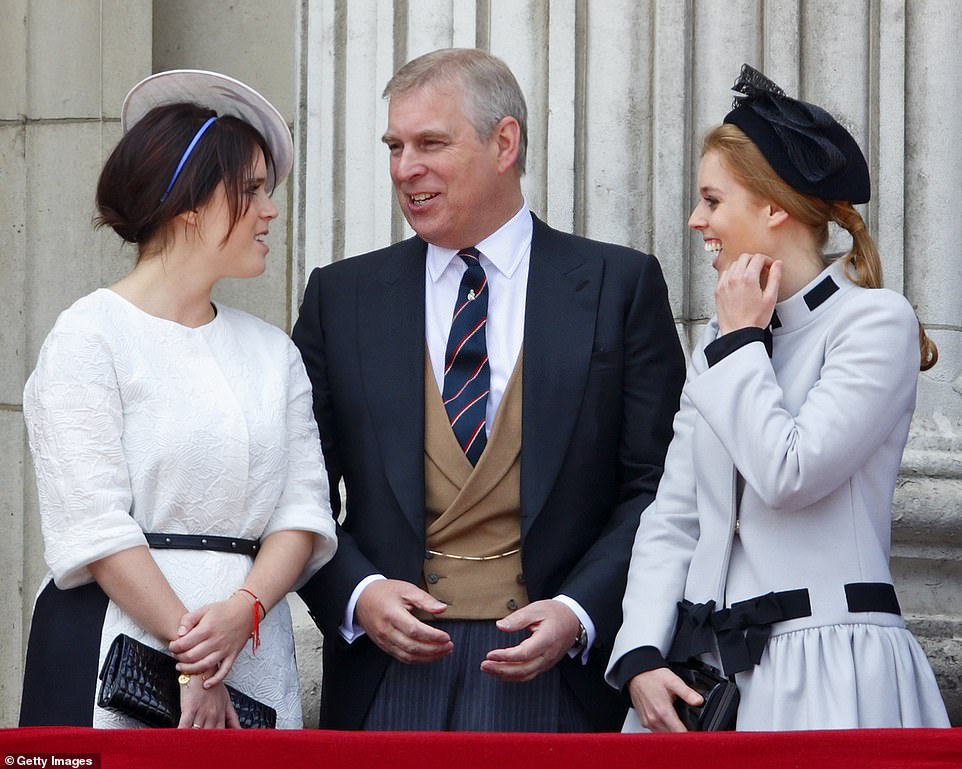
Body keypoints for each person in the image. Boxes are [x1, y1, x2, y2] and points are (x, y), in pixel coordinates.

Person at [293, 47, 686, 732]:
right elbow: (296, 484)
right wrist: (356, 593)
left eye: (430, 143)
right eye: (395, 146)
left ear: (504, 142)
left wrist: (580, 609)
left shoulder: (617, 287)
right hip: (386, 683)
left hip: (563, 682)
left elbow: (661, 484)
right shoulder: (341, 296)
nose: (404, 168)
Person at [606, 64, 949, 731]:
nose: (696, 219)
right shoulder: (723, 340)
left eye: (712, 199)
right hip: (702, 679)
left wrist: (740, 344)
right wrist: (642, 651)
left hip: (830, 674)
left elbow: (790, 473)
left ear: (773, 206)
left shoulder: (874, 322)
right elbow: (675, 515)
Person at [19, 70, 337, 729]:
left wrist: (243, 611)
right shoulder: (88, 336)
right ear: (188, 203)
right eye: (251, 190)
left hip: (250, 652)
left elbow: (304, 511)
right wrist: (190, 656)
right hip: (119, 652)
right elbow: (96, 526)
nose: (269, 209)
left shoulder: (272, 351)